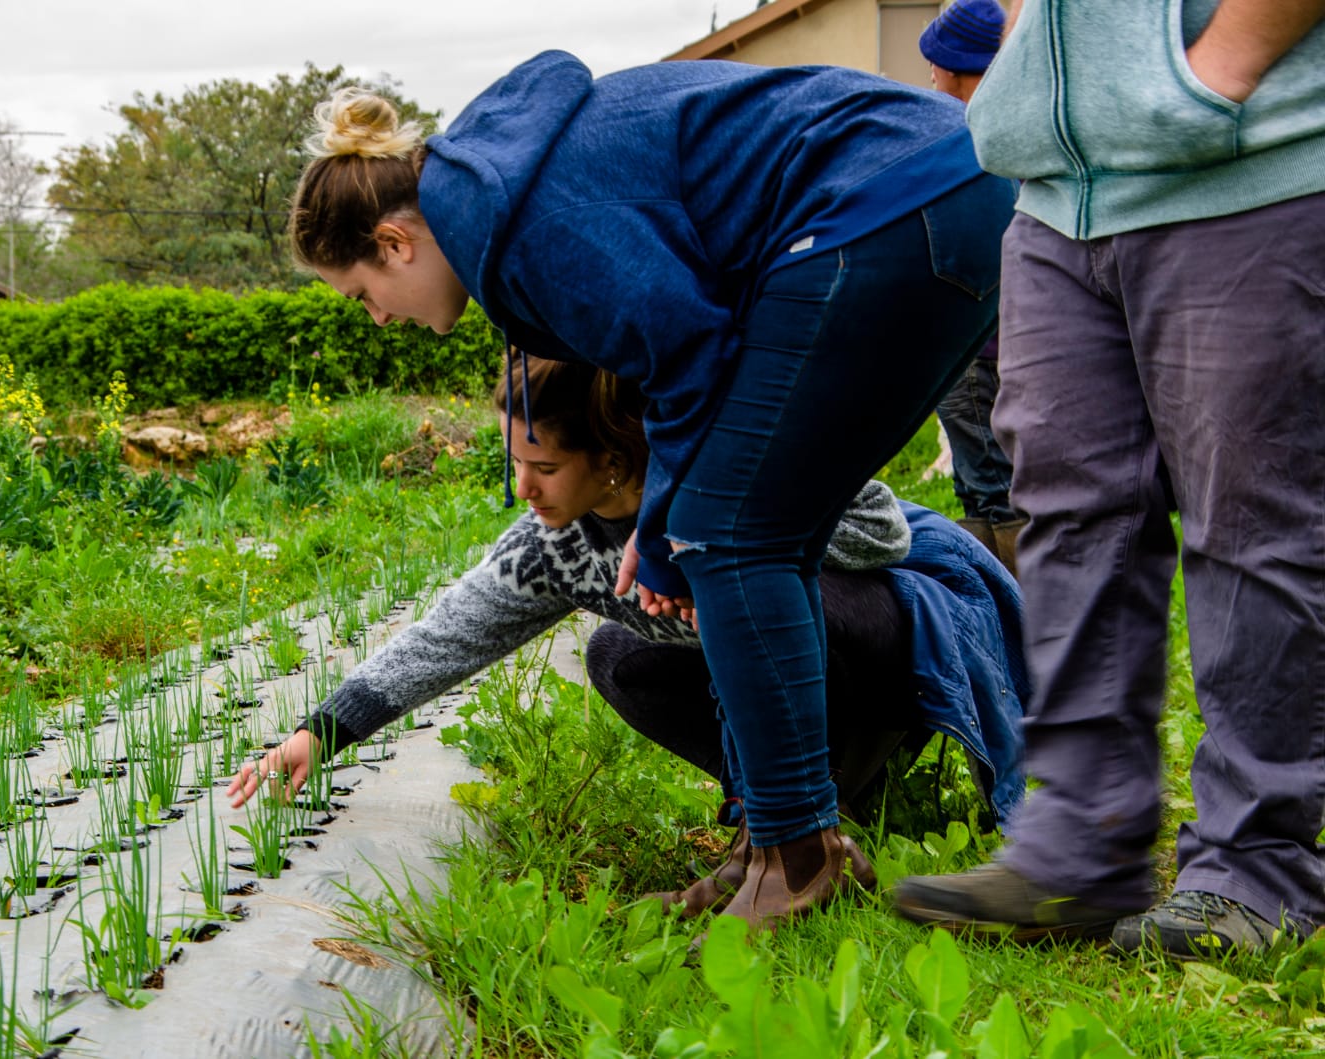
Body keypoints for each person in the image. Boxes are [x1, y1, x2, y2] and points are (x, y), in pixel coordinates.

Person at [283, 52, 1013, 931]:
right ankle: (774, 844)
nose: (379, 317)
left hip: (887, 200)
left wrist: (664, 539)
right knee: (756, 535)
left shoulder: (524, 226)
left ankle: (798, 855)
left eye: (364, 293)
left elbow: (684, 352)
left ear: (396, 242)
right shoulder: (510, 198)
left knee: (727, 538)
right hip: (949, 188)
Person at [228, 358, 1029, 922]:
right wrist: (318, 731)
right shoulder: (553, 541)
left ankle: (801, 824)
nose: (522, 488)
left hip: (886, 625)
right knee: (617, 657)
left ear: (613, 460)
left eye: (541, 464)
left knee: (758, 605)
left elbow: (882, 528)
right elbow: (446, 635)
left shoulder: (725, 462)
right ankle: (824, 801)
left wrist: (723, 550)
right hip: (797, 671)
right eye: (514, 461)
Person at [894, 1, 1325, 957]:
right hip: (1052, 196)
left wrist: (1218, 67)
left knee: (1251, 524)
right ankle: (1082, 841)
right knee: (1067, 518)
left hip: (1245, 169)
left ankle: (1255, 870)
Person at [918, 0, 1022, 576]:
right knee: (986, 486)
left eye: (934, 62)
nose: (929, 75)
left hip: (975, 349)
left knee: (993, 492)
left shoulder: (967, 137)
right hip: (1003, 344)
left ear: (954, 66)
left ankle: (1013, 624)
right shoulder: (1014, 128)